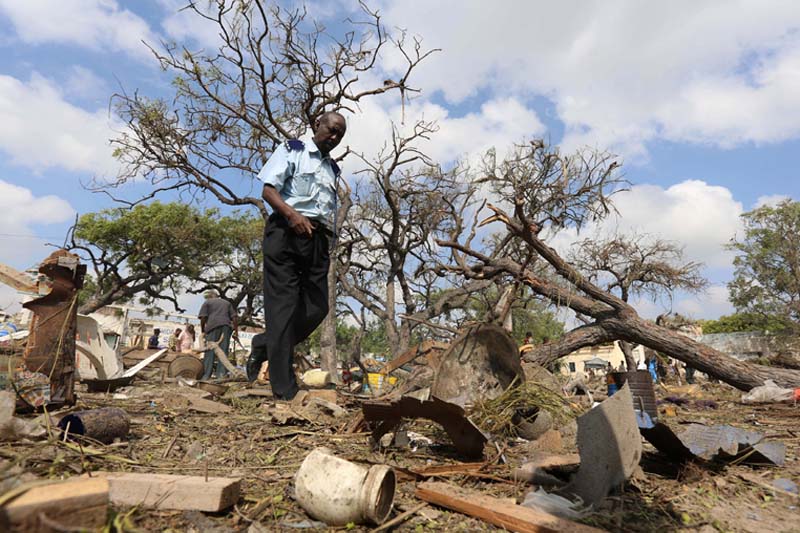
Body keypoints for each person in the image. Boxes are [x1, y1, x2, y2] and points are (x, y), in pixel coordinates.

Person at [251, 111, 347, 400]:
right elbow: (269, 191)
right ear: (317, 124)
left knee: (318, 307)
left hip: (317, 238)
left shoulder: (333, 168)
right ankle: (284, 390)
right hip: (287, 231)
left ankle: (265, 343)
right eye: (331, 130)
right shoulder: (292, 149)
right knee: (283, 307)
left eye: (340, 135)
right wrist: (292, 216)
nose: (334, 137)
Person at [198, 291, 238, 380]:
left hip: (212, 327)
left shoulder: (208, 302)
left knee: (210, 351)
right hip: (226, 327)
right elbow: (234, 318)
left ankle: (206, 375)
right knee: (223, 351)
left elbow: (203, 317)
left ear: (210, 297)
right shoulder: (227, 303)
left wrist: (203, 330)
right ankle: (221, 375)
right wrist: (236, 332)